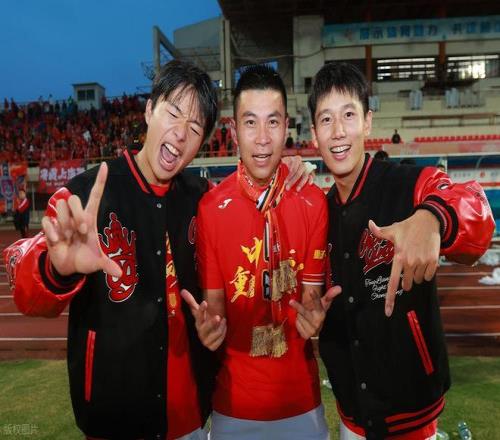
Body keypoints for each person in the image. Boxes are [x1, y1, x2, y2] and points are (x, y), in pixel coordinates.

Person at [4, 60, 311, 440]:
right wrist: (56, 269)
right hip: (114, 423)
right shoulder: (88, 194)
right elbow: (26, 293)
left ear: (202, 143)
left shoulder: (203, 199)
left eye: (195, 128)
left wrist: (287, 170)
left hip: (191, 419)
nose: (180, 134)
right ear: (150, 110)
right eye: (173, 114)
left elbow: (251, 193)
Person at [308, 62, 495, 439]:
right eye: (326, 119)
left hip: (413, 417)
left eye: (348, 115)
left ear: (368, 122)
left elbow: (478, 216)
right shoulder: (319, 214)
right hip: (350, 416)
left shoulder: (410, 183)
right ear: (313, 135)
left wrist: (433, 217)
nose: (338, 130)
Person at [182, 65, 340, 439]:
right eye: (250, 123)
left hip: (301, 403)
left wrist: (314, 319)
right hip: (233, 407)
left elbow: (311, 299)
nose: (263, 139)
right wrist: (209, 330)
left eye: (273, 122)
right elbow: (215, 310)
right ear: (234, 130)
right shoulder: (210, 209)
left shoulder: (313, 201)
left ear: (287, 126)